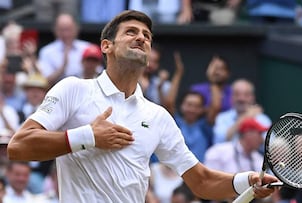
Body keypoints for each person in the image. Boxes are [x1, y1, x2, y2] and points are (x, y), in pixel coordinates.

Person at [7, 10, 278, 203]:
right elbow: (19, 147)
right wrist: (88, 136)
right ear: (106, 46)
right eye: (131, 32)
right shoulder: (73, 89)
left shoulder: (157, 116)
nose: (141, 38)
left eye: (147, 35)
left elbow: (202, 181)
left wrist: (247, 180)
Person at [37, 13, 90, 86]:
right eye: (62, 30)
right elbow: (45, 81)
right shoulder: (46, 51)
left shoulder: (87, 48)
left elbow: (97, 74)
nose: (66, 34)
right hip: (55, 91)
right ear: (55, 30)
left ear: (76, 29)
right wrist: (63, 67)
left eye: (68, 29)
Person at [212, 79, 271, 144]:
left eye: (246, 95)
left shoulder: (262, 119)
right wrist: (245, 117)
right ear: (231, 97)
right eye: (237, 94)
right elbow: (219, 141)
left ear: (252, 98)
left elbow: (270, 144)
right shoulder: (222, 117)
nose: (241, 99)